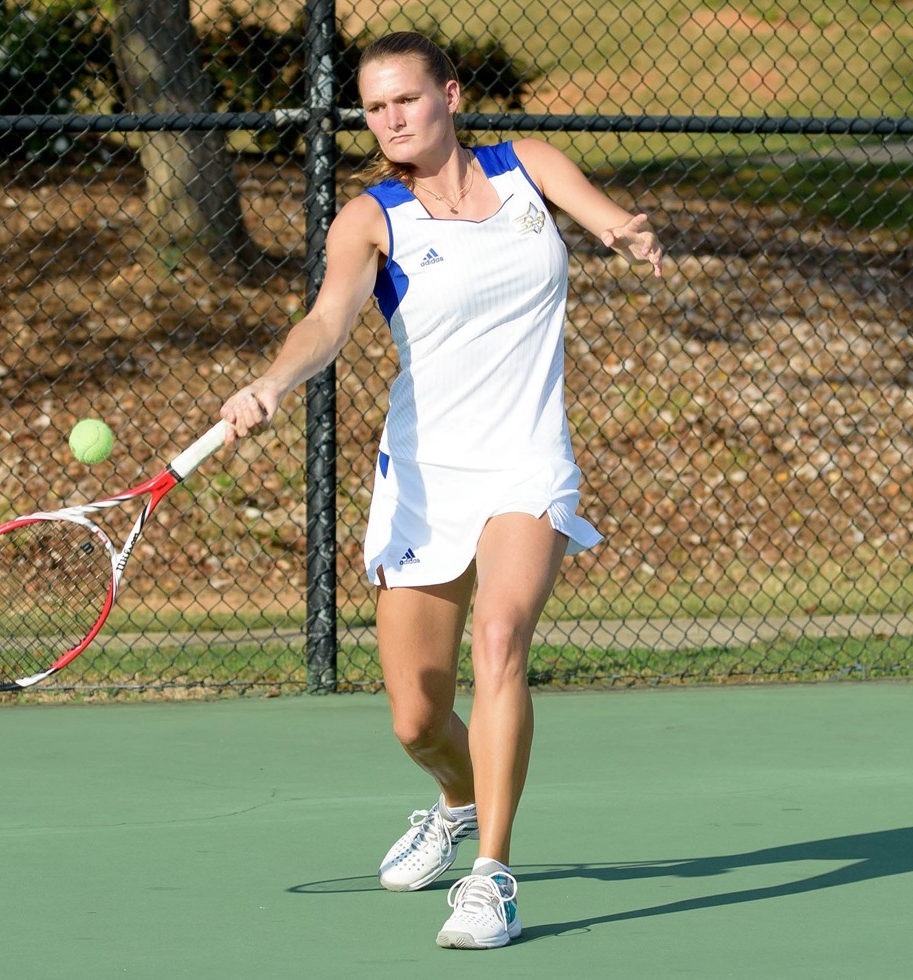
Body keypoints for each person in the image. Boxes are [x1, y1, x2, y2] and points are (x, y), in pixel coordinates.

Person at [217, 31, 662, 950]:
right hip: (425, 478)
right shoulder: (370, 219)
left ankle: (492, 877)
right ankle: (456, 802)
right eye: (374, 108)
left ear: (450, 96)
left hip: (527, 463)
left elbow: (604, 216)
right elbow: (327, 319)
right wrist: (273, 381)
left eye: (406, 100)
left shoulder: (529, 168)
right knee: (416, 717)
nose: (390, 120)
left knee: (499, 640)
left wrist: (622, 228)